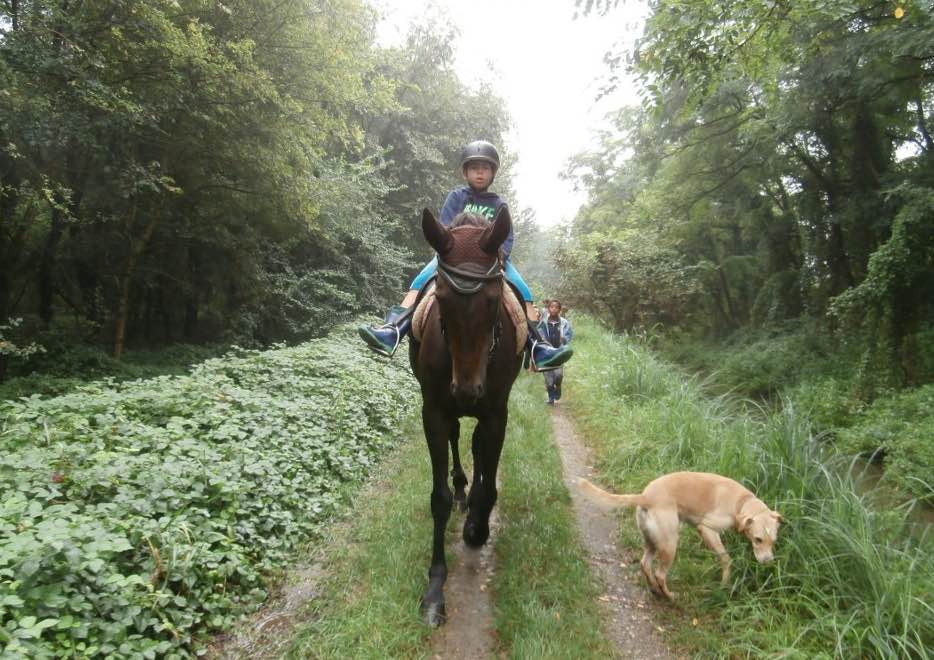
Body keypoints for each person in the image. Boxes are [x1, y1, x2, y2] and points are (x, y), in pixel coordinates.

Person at [358, 140, 573, 371]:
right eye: (474, 168)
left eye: (485, 168)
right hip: (454, 258)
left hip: (492, 261)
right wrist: (447, 253)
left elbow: (507, 236)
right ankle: (392, 330)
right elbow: (445, 228)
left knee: (523, 291)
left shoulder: (499, 204)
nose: (480, 172)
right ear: (465, 172)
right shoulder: (456, 197)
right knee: (418, 283)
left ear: (492, 173)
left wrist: (501, 257)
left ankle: (538, 346)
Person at [538, 299, 573, 404]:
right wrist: (542, 340)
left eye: (556, 307)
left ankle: (558, 386)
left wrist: (564, 339)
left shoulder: (564, 323)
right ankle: (551, 398)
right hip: (546, 353)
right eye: (552, 307)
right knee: (548, 379)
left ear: (559, 310)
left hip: (558, 353)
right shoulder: (543, 322)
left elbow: (569, 334)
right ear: (548, 309)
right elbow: (539, 332)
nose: (554, 309)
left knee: (558, 375)